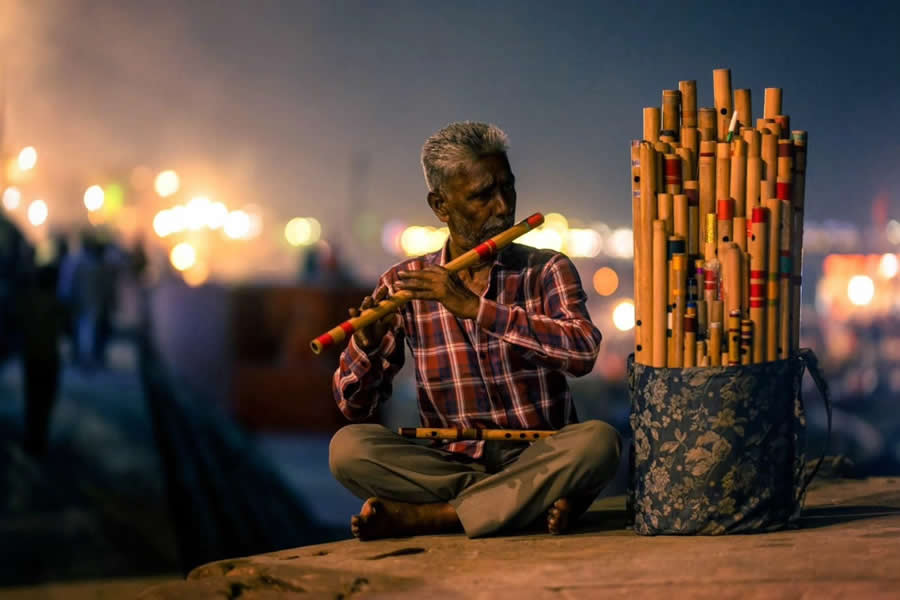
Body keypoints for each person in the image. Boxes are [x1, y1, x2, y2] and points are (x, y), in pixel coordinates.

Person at [329, 122, 621, 540]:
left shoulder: (546, 269)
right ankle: (519, 505)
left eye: (508, 188)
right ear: (441, 205)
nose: (503, 208)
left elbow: (582, 353)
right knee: (348, 450)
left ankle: (439, 517)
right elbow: (353, 407)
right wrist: (366, 345)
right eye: (483, 195)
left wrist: (475, 308)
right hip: (451, 463)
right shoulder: (406, 281)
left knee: (599, 443)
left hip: (541, 453)